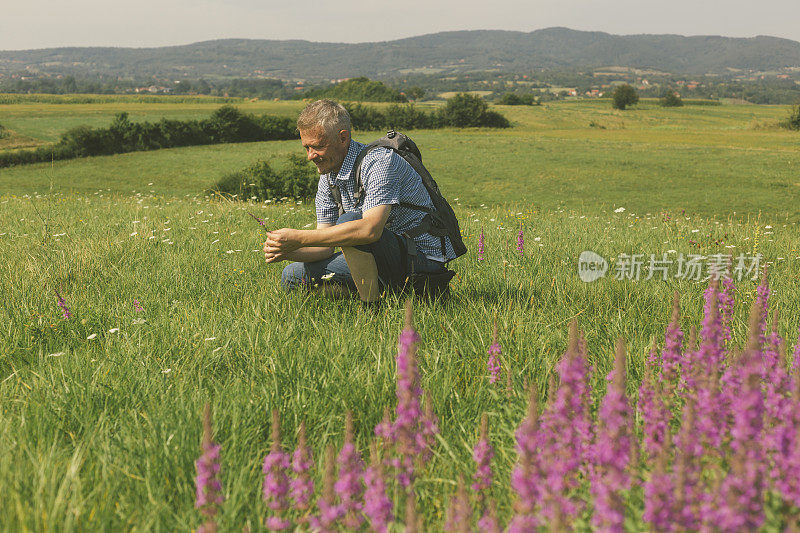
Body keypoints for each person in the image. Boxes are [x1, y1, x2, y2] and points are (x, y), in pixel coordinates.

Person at [263, 99, 457, 306]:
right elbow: (324, 248)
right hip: (381, 257)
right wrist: (286, 250)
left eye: (318, 146)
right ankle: (391, 294)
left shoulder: (379, 162)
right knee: (291, 276)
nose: (310, 156)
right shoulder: (328, 177)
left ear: (343, 138)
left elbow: (369, 231)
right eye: (306, 147)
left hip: (421, 259)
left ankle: (373, 308)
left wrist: (299, 236)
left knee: (351, 220)